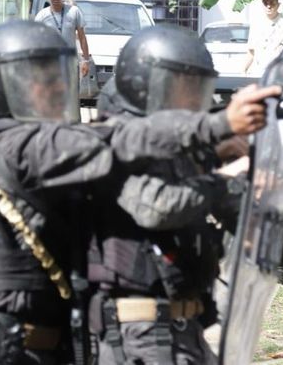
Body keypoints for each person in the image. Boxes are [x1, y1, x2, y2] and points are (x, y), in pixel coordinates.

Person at [0, 20, 275, 365]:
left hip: (23, 342)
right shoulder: (22, 145)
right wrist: (219, 125)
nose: (56, 88)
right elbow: (117, 140)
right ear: (1, 84)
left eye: (58, 75)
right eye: (41, 79)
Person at [88, 25, 249, 365]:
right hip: (139, 334)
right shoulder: (114, 145)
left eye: (198, 89)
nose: (194, 100)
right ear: (146, 85)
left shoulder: (184, 151)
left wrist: (247, 174)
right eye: (183, 88)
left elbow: (234, 215)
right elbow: (155, 208)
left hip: (183, 326)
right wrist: (222, 179)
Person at [32, 0, 92, 77]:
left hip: (71, 64)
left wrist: (85, 61)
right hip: (50, 65)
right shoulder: (42, 15)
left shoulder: (74, 11)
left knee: (72, 92)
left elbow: (82, 37)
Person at [243, 0, 283, 76]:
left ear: (278, 5)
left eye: (272, 3)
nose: (269, 6)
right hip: (258, 73)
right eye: (265, 3)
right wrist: (244, 70)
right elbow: (251, 51)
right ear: (262, 6)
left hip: (279, 74)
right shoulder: (256, 23)